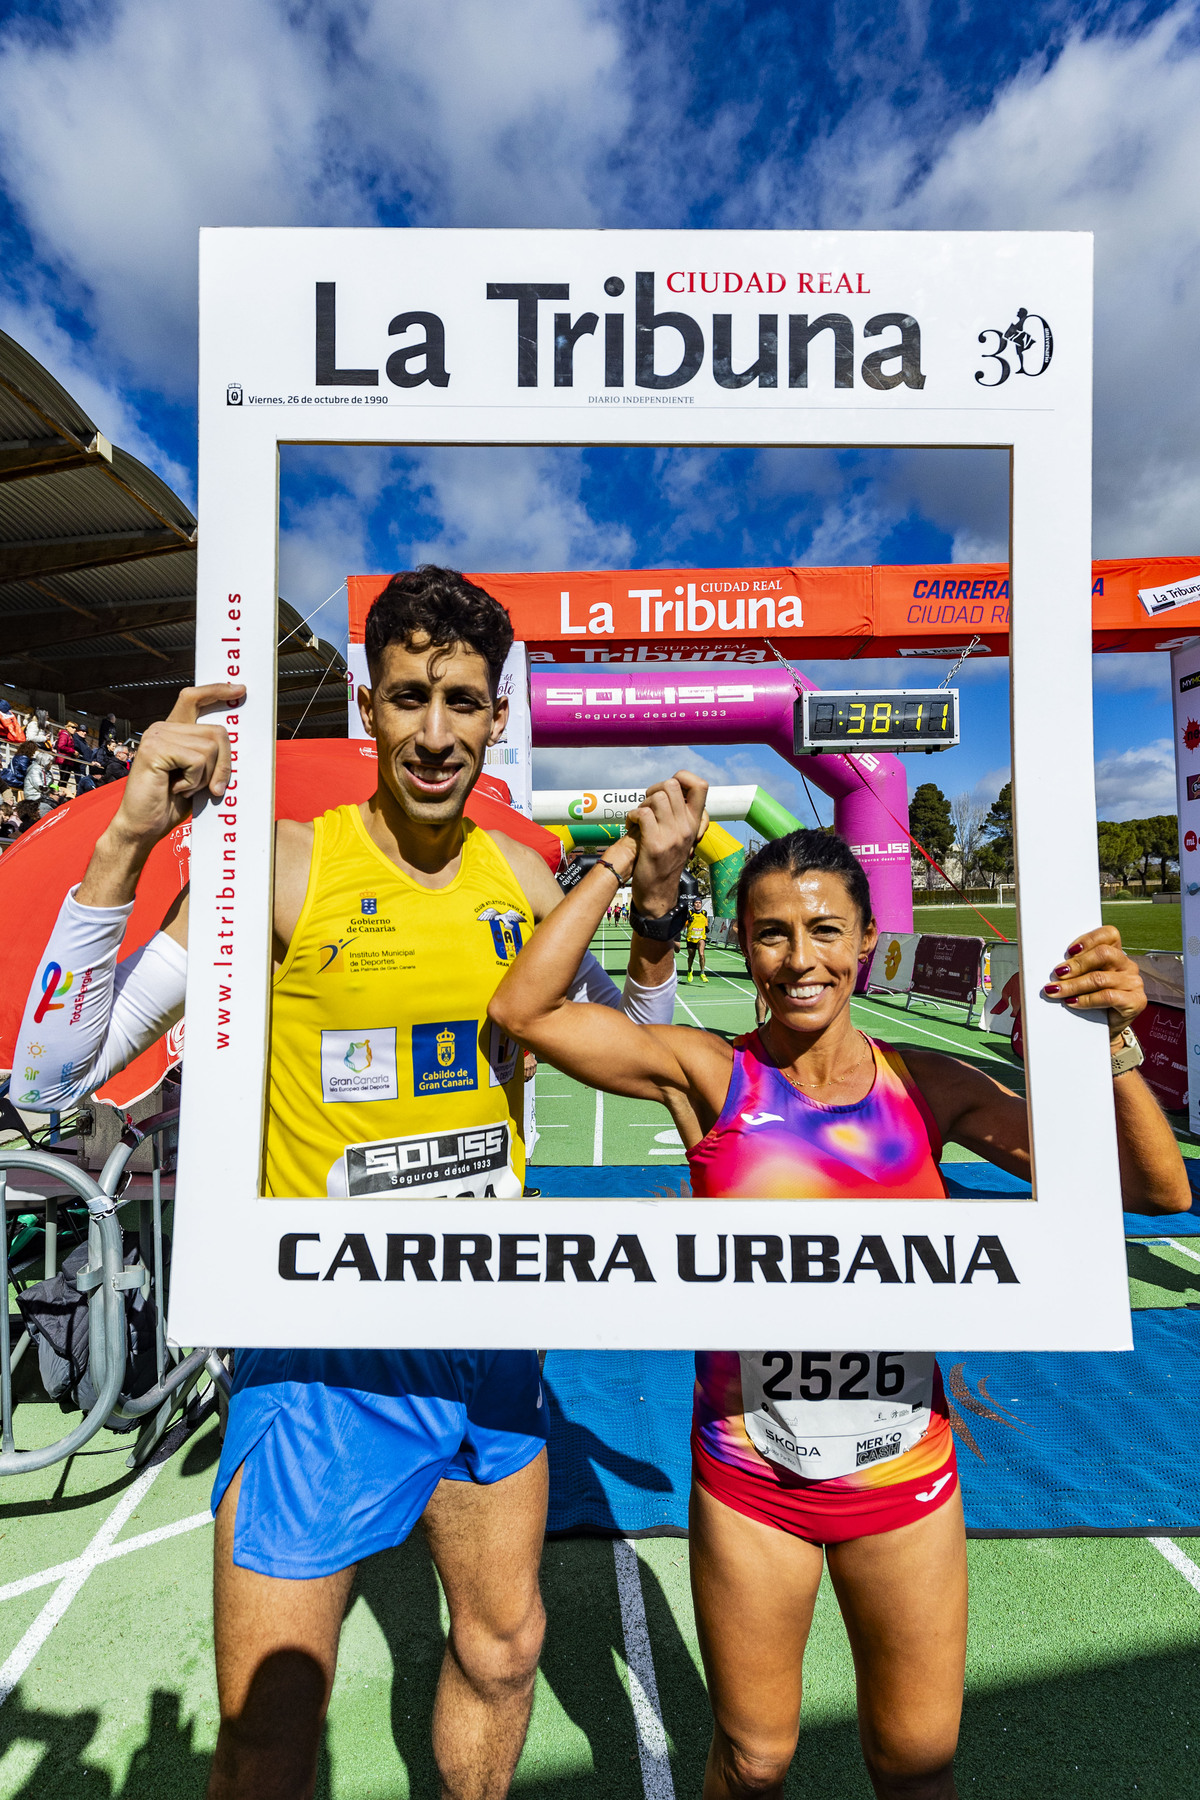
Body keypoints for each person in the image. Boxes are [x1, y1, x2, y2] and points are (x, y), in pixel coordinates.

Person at [16, 566, 696, 1800]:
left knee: (504, 1651)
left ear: (498, 718)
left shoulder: (530, 880)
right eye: (407, 697)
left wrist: (650, 917)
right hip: (321, 1354)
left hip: (487, 1332)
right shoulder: (271, 871)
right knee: (272, 1723)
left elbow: (645, 1057)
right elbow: (57, 1075)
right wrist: (126, 838)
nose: (434, 731)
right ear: (367, 710)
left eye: (461, 701)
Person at [489, 817, 1190, 1800]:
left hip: (903, 1481)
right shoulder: (710, 1076)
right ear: (742, 944)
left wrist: (1115, 1044)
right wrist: (618, 865)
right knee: (754, 1759)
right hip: (750, 1478)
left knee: (913, 1767)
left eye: (826, 930)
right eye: (772, 932)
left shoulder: (926, 1086)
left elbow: (1152, 1191)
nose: (799, 958)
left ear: (869, 940)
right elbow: (523, 1010)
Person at [685, 896, 709, 983]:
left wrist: (706, 928)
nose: (698, 905)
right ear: (693, 904)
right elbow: (684, 926)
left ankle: (702, 973)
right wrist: (688, 921)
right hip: (691, 939)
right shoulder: (689, 913)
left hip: (701, 938)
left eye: (699, 903)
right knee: (691, 957)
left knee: (701, 954)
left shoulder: (704, 912)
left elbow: (705, 922)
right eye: (696, 903)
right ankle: (689, 970)